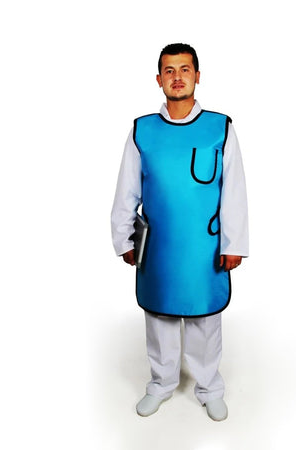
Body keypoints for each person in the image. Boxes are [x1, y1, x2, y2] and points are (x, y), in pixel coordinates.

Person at [111, 43, 249, 421]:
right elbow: (127, 190)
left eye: (184, 69)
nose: (177, 77)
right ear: (159, 79)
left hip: (205, 246)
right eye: (169, 71)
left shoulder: (220, 128)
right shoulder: (142, 131)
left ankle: (209, 387)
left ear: (197, 76)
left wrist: (234, 242)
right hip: (159, 246)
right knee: (160, 317)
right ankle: (161, 383)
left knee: (205, 317)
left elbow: (233, 190)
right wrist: (123, 238)